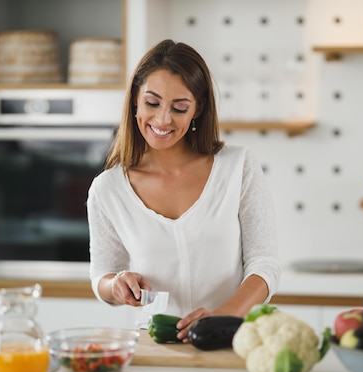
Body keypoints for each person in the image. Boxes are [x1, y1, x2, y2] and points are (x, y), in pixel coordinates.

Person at [86, 39, 281, 341]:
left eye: (179, 107)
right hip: (156, 347)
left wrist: (224, 315)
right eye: (152, 103)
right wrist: (117, 285)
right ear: (135, 101)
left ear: (197, 109)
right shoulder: (107, 189)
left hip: (234, 341)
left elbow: (264, 263)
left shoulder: (238, 167)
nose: (163, 119)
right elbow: (102, 275)